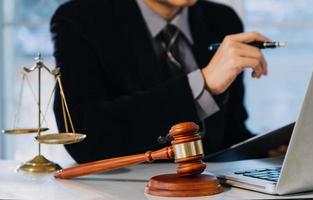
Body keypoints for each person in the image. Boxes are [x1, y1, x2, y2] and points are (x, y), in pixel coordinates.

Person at [51, 0, 272, 163]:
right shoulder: (79, 19)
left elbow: (229, 135)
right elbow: (83, 137)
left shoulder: (223, 19)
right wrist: (202, 84)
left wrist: (268, 149)